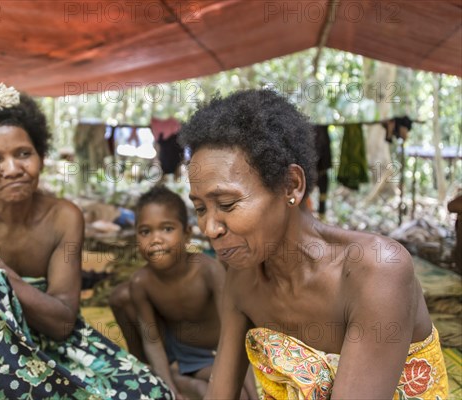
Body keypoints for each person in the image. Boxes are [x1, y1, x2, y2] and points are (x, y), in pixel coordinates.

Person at [0, 84, 173, 399]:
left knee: (152, 394)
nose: (12, 169)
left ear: (41, 158)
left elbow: (62, 323)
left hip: (46, 342)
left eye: (23, 154)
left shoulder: (63, 218)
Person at [178, 89, 449, 399]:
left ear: (291, 186)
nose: (209, 228)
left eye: (226, 204)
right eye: (200, 208)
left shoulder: (376, 269)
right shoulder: (242, 277)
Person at [110, 186, 256, 399]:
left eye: (167, 229)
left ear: (187, 233)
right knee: (197, 390)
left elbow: (234, 332)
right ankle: (164, 378)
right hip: (182, 353)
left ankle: (181, 379)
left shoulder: (208, 271)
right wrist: (170, 390)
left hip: (218, 353)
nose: (156, 239)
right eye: (145, 232)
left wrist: (254, 394)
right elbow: (153, 341)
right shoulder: (141, 282)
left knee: (238, 395)